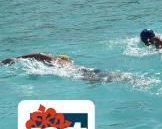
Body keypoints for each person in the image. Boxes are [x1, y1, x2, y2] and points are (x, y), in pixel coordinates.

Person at [1, 53, 133, 83]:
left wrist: (16, 58)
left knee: (106, 79)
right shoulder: (64, 63)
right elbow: (39, 55)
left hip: (81, 73)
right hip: (89, 69)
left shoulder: (61, 65)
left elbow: (38, 55)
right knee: (119, 76)